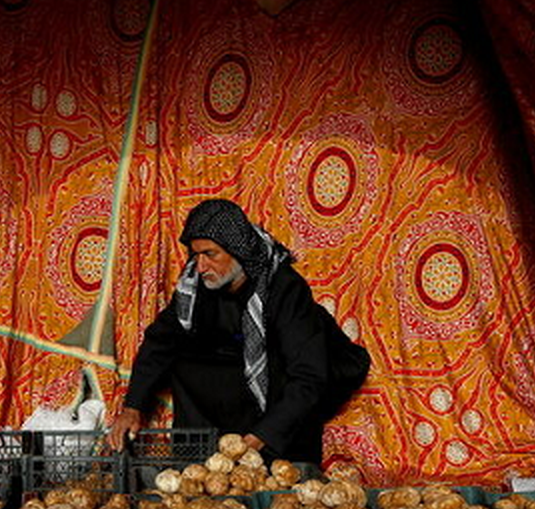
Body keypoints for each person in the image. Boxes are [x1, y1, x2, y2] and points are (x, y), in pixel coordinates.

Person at [106, 198, 370, 464]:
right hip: (234, 369)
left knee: (282, 385)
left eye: (211, 254)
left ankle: (276, 461)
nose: (201, 267)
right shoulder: (195, 286)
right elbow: (160, 341)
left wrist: (257, 439)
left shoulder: (284, 288)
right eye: (196, 255)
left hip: (285, 378)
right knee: (185, 363)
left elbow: (309, 375)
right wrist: (133, 407)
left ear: (238, 251)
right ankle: (195, 461)